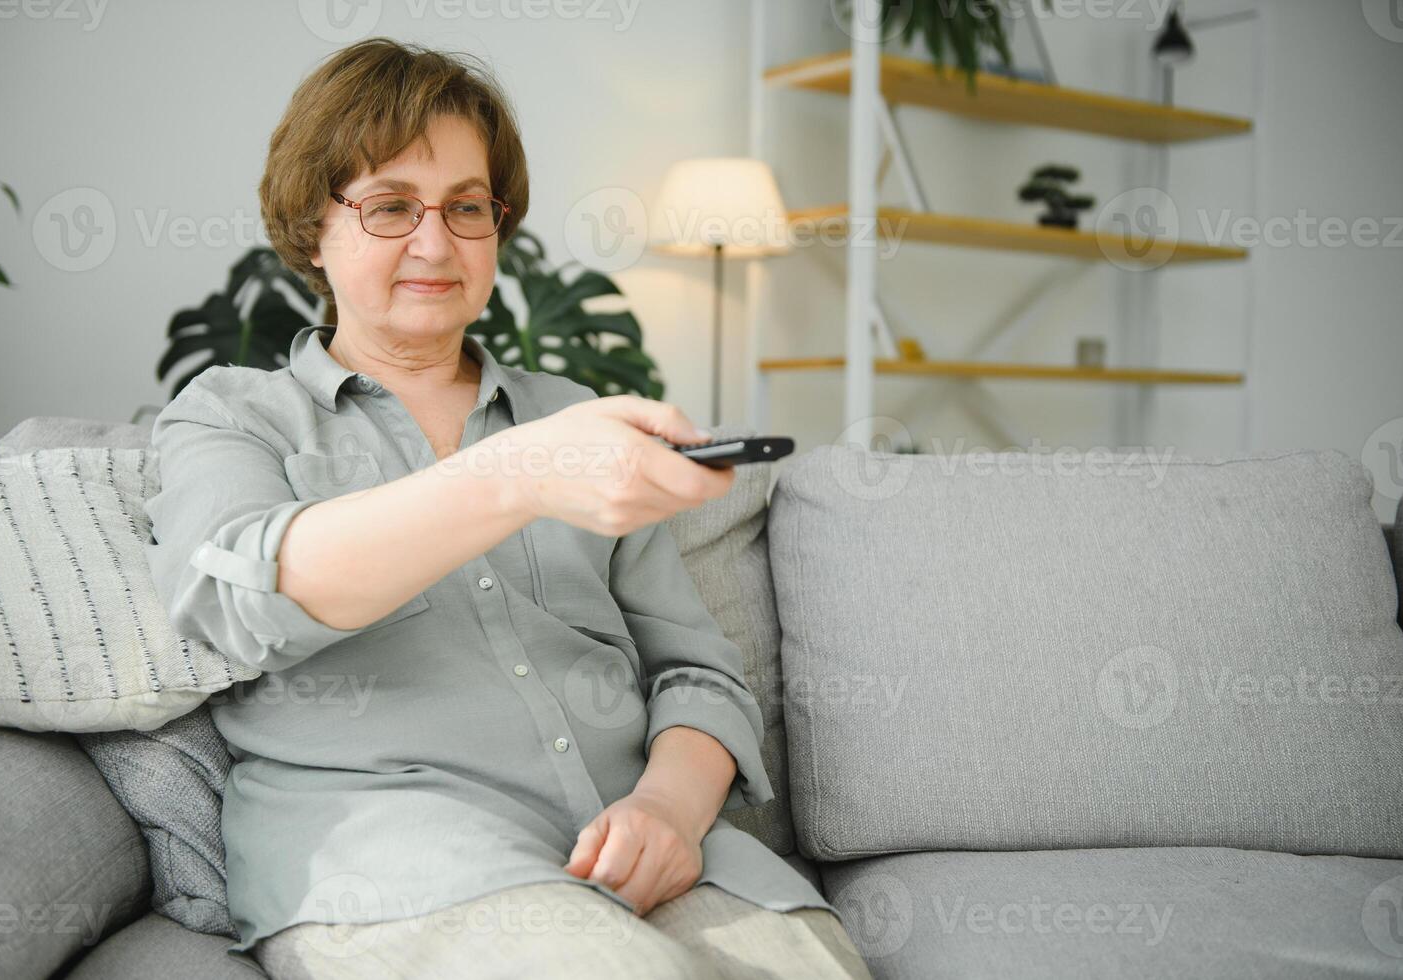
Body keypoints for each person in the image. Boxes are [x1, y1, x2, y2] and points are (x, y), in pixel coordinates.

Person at [144, 37, 871, 980]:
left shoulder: (572, 414)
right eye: (390, 206)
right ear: (311, 228)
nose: (435, 243)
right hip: (400, 860)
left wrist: (666, 812)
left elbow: (698, 672)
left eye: (466, 207)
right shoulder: (233, 413)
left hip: (643, 841)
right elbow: (239, 597)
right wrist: (518, 476)